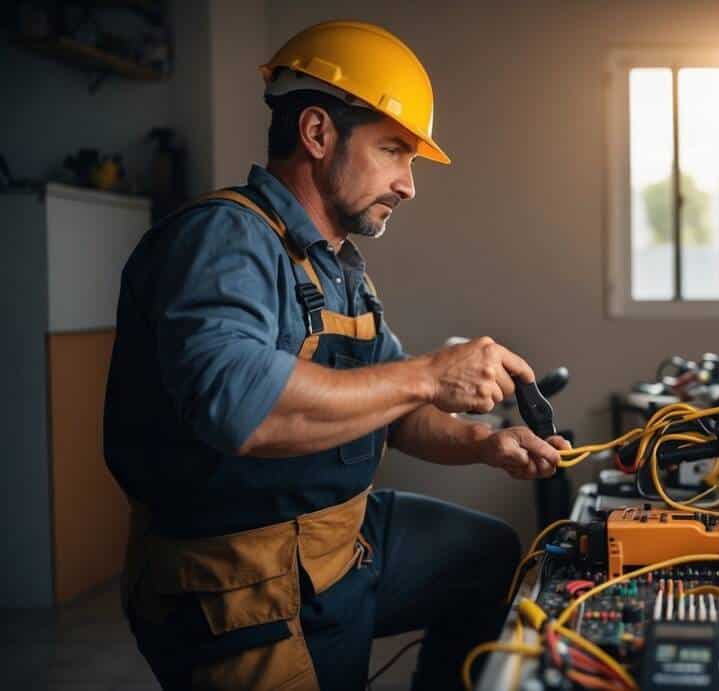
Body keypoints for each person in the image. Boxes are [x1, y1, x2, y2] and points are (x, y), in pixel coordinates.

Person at [103, 20, 566, 690]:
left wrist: (484, 443)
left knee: (492, 554)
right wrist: (431, 371)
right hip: (237, 575)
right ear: (318, 134)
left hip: (339, 538)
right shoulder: (225, 240)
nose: (408, 184)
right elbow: (243, 408)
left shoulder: (341, 269)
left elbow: (400, 410)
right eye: (392, 151)